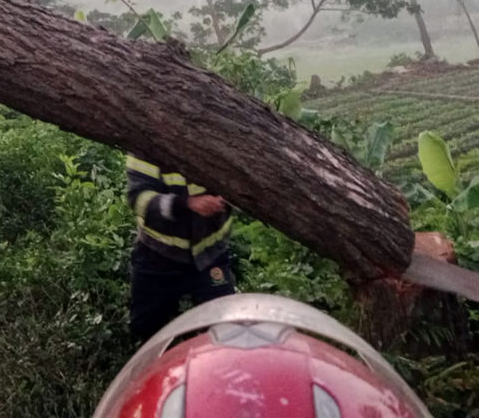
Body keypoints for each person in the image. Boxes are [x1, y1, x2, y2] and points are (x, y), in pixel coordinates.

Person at [91, 293, 431, 418]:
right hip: (161, 260)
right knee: (148, 321)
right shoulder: (154, 153)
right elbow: (143, 199)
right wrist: (186, 204)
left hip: (206, 259)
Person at [125, 155, 234, 343]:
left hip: (210, 254)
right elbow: (139, 200)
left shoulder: (220, 137)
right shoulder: (144, 145)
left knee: (225, 326)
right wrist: (186, 204)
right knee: (146, 326)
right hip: (157, 255)